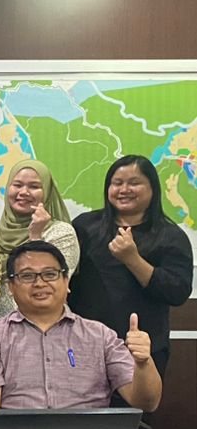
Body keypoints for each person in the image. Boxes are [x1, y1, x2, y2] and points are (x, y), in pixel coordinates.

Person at [0, 240, 161, 411]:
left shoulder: (100, 336)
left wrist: (143, 363)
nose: (40, 283)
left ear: (66, 282)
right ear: (11, 287)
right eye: (27, 276)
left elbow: (146, 403)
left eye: (50, 274)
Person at [69, 155, 192, 379]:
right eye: (117, 183)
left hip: (141, 349)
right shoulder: (84, 226)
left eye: (134, 183)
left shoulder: (170, 236)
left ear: (152, 188)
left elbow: (177, 292)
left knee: (136, 403)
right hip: (84, 345)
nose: (124, 189)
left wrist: (133, 259)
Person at [0, 159, 80, 326]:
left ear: (47, 192)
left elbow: (50, 285)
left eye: (34, 186)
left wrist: (36, 237)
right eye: (17, 185)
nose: (24, 192)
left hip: (43, 328)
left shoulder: (61, 233)